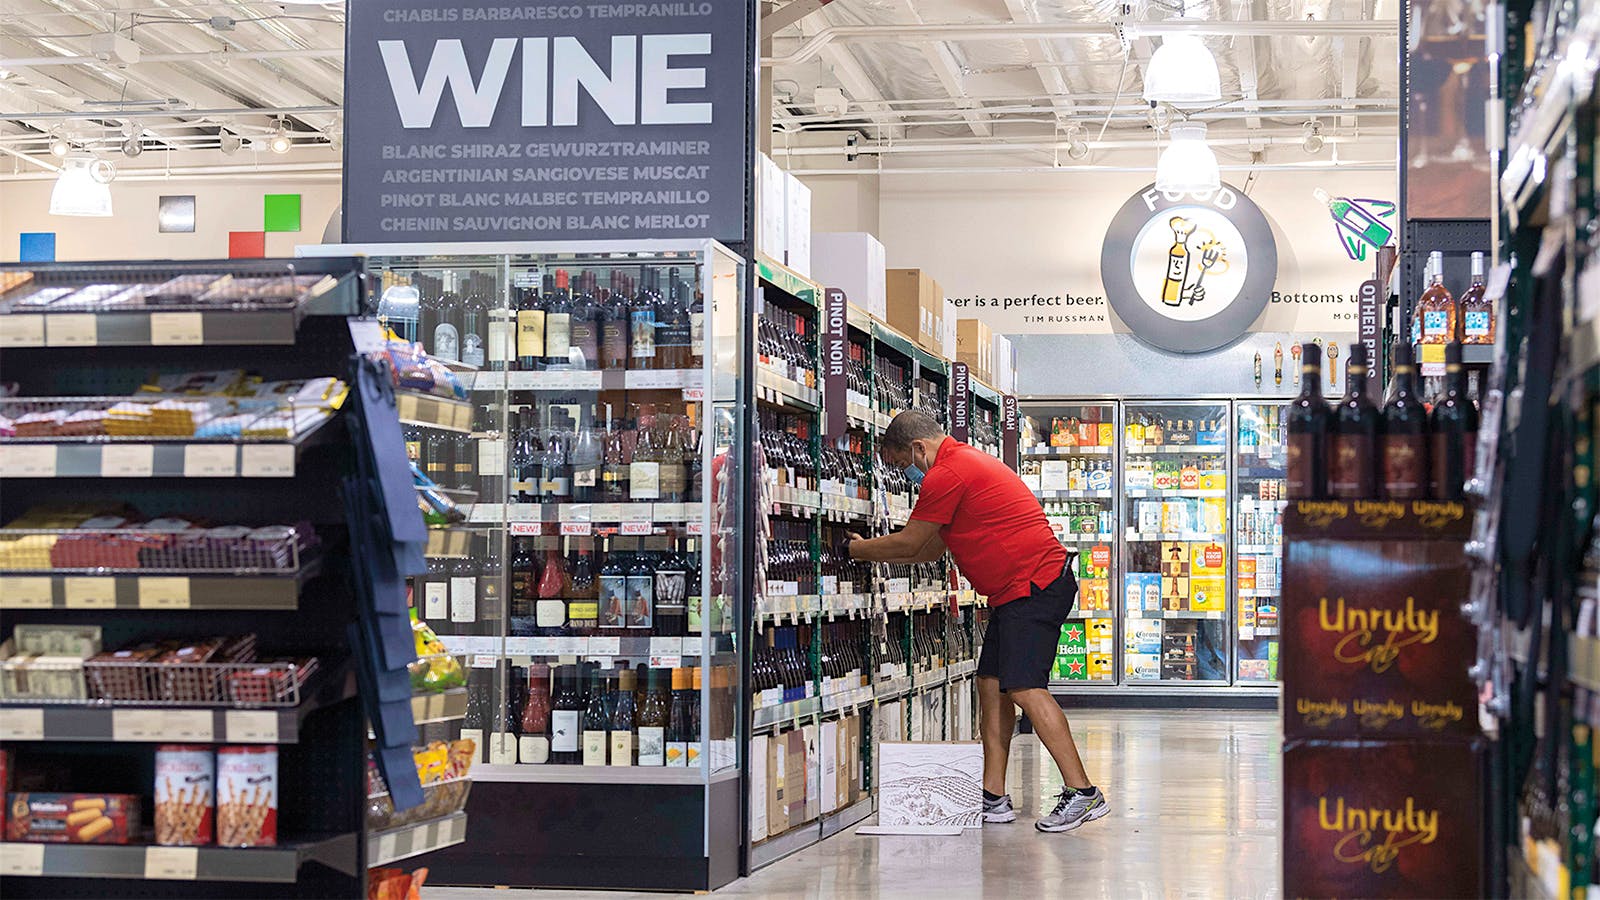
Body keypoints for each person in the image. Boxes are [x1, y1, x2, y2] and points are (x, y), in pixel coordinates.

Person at [841, 410, 1107, 833]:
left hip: (1033, 585)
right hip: (1015, 590)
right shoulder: (960, 468)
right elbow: (926, 551)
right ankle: (993, 795)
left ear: (917, 448)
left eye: (901, 464)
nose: (906, 475)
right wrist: (878, 549)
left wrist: (858, 551)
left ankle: (1083, 792)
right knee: (990, 683)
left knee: (1024, 687)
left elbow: (910, 543)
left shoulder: (947, 473)